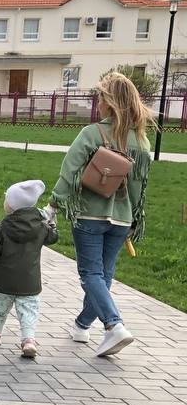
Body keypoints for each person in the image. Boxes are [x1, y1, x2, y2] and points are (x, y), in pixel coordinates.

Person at [48, 71, 152, 357]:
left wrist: (54, 203)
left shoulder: (92, 134)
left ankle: (114, 326)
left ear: (109, 102)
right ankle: (82, 325)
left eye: (100, 97)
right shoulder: (141, 142)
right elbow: (138, 186)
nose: (97, 102)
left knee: (91, 274)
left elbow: (69, 171)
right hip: (122, 219)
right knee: (103, 275)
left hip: (90, 214)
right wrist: (134, 219)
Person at [0, 179, 58, 359]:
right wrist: (51, 221)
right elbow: (53, 238)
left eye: (7, 199)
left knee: (0, 307)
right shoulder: (40, 227)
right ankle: (28, 340)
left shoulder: (2, 228)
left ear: (12, 206)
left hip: (5, 280)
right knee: (28, 310)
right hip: (29, 280)